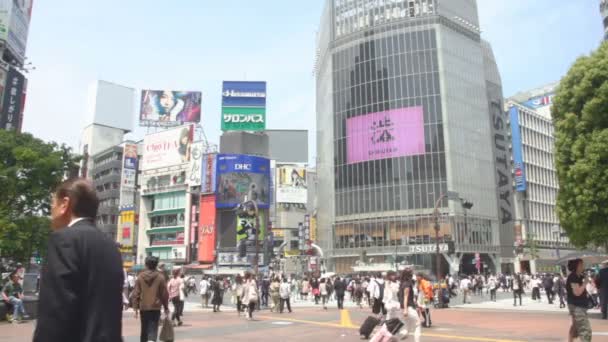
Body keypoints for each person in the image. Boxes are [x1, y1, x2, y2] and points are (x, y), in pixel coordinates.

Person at [33, 178, 124, 342]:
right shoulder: (111, 246)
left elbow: (55, 310)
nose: (51, 209)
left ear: (64, 204)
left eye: (52, 203)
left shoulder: (64, 240)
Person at [131, 256, 170, 342]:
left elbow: (136, 293)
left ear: (146, 264)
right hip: (155, 307)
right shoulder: (160, 277)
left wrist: (135, 309)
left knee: (144, 328)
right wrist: (166, 307)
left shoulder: (140, 277)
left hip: (144, 306)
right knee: (153, 329)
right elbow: (164, 294)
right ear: (156, 265)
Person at [566, 259, 592, 342]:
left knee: (575, 326)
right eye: (581, 265)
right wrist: (585, 283)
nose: (582, 266)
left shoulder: (579, 276)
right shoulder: (573, 277)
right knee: (585, 329)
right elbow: (577, 292)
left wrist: (585, 279)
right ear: (576, 266)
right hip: (577, 306)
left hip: (579, 305)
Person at [397, 268, 421, 342]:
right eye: (412, 273)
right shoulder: (407, 284)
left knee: (408, 324)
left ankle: (404, 334)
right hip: (408, 307)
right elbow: (405, 297)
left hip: (404, 307)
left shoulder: (402, 283)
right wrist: (405, 309)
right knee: (418, 324)